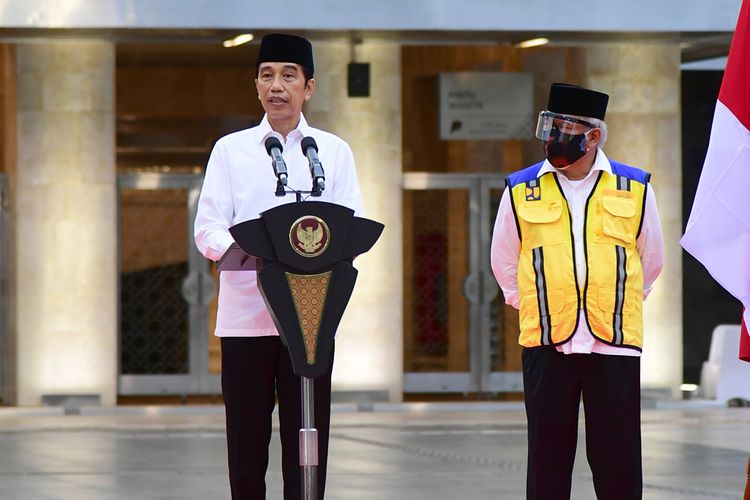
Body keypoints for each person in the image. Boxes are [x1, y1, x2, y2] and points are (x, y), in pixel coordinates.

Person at [194, 33, 364, 499]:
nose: (277, 85)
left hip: (310, 319)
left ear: (308, 87)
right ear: (255, 86)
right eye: (267, 75)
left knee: (306, 446)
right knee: (246, 446)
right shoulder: (231, 151)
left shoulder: (333, 152)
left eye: (289, 76)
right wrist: (250, 246)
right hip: (245, 319)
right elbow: (207, 229)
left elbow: (352, 226)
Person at [490, 83, 664, 500]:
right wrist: (533, 304)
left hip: (614, 345)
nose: (555, 136)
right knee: (547, 461)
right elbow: (504, 262)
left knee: (617, 460)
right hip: (547, 341)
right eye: (551, 125)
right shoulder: (521, 188)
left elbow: (651, 260)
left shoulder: (634, 187)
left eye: (566, 127)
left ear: (593, 136)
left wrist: (612, 305)